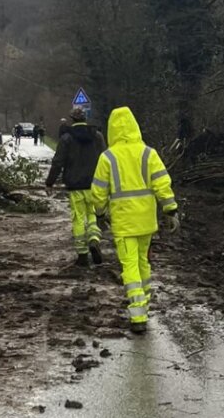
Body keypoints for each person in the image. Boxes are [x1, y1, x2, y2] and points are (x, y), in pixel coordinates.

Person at [91, 106, 179, 333]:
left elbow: (98, 192)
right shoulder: (148, 153)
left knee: (129, 266)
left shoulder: (107, 157)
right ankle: (144, 305)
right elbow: (162, 182)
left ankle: (137, 314)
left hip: (123, 222)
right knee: (143, 263)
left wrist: (100, 214)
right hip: (146, 221)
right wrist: (170, 209)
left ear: (112, 130)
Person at [46, 108, 106, 267]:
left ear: (72, 119)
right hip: (94, 185)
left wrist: (50, 182)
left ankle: (82, 255)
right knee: (92, 215)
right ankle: (94, 239)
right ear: (86, 119)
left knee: (78, 218)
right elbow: (105, 159)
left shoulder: (66, 138)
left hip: (75, 186)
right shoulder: (97, 136)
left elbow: (58, 161)